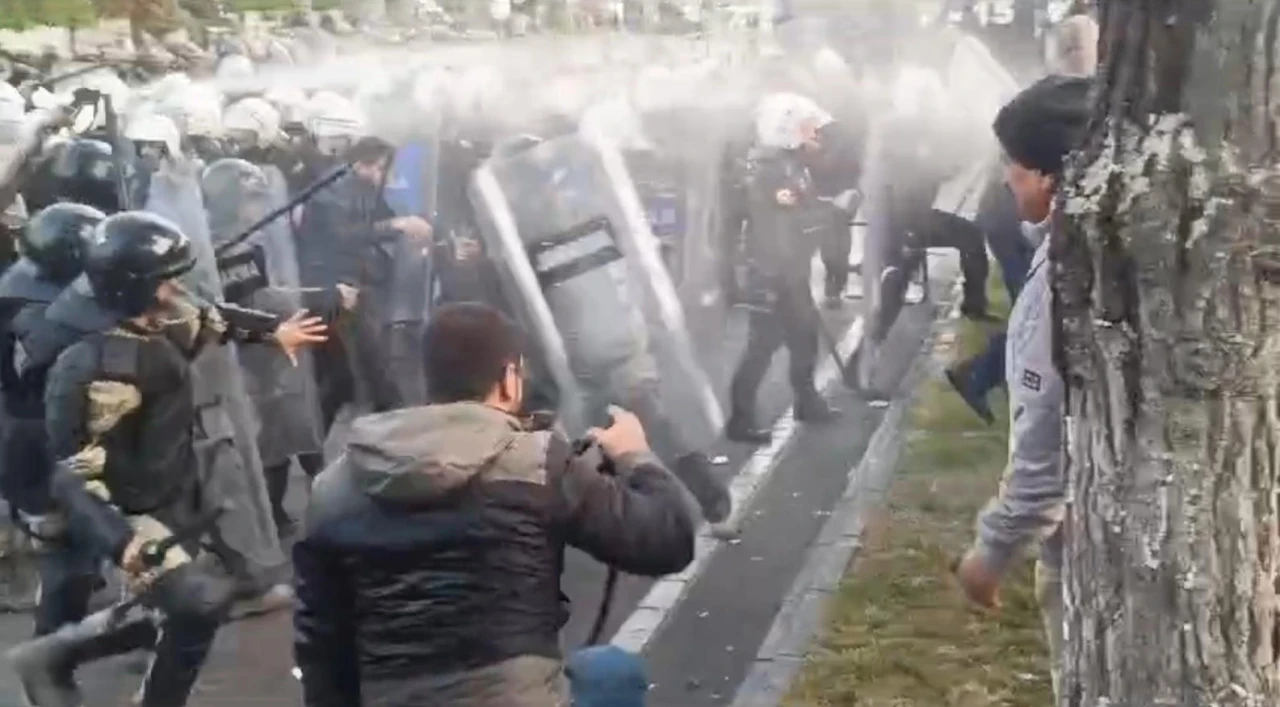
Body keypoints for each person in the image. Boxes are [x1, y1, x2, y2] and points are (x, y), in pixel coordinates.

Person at [293, 302, 697, 707]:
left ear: (429, 382)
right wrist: (634, 456)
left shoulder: (333, 489)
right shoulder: (538, 462)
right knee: (610, 673)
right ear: (509, 380)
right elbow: (668, 541)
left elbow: (322, 651)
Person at [9, 210, 327, 707]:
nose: (179, 288)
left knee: (179, 609)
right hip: (133, 508)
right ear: (137, 289)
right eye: (168, 280)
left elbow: (211, 317)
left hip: (174, 487)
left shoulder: (161, 317)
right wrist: (123, 542)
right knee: (196, 606)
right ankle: (51, 658)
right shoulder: (92, 365)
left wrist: (271, 331)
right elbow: (74, 476)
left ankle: (77, 660)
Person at [953, 75, 1093, 698]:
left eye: (1012, 165)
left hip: (1102, 552)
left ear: (1047, 177)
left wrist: (989, 556)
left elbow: (1043, 446)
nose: (1005, 180)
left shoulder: (1058, 280)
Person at [726, 92, 841, 444]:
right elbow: (790, 220)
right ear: (785, 128)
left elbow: (801, 210)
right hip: (773, 271)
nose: (814, 133)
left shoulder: (788, 163)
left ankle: (807, 401)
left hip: (791, 268)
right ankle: (740, 421)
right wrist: (834, 212)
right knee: (762, 346)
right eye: (807, 127)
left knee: (804, 338)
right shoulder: (771, 170)